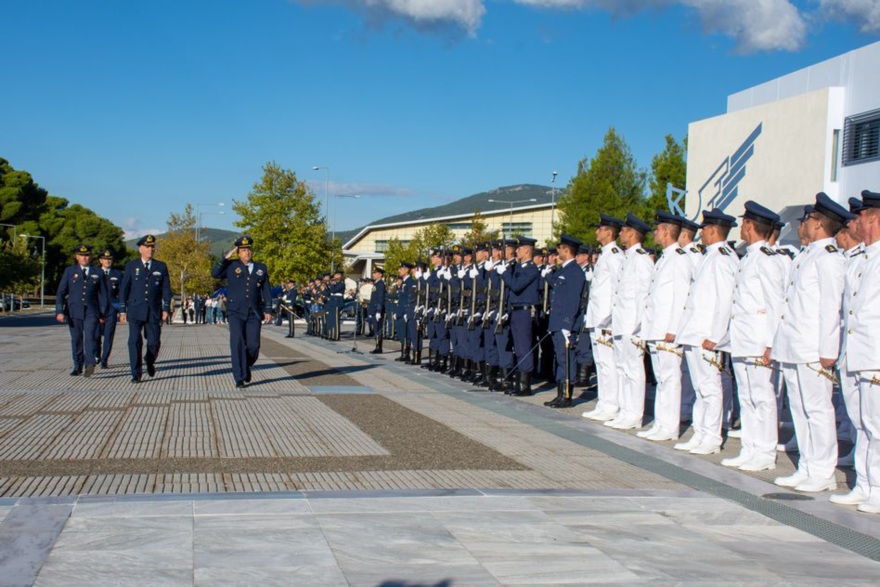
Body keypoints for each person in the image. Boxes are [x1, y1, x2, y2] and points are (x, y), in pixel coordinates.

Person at [771, 193, 850, 493]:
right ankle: (807, 465)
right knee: (801, 409)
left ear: (817, 224)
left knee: (818, 411)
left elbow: (831, 307)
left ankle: (823, 470)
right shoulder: (806, 255)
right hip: (794, 345)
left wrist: (828, 351)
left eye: (806, 220)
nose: (802, 225)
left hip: (812, 348)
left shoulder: (830, 257)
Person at [719, 201, 786, 472]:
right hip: (743, 339)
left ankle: (765, 451)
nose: (743, 228)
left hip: (758, 341)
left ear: (749, 226)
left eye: (744, 224)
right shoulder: (749, 258)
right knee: (746, 396)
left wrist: (771, 343)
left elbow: (775, 304)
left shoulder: (767, 259)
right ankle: (750, 448)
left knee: (762, 396)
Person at [674, 209, 738, 455]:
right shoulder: (709, 256)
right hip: (695, 332)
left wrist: (717, 336)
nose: (701, 233)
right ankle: (701, 432)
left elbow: (725, 300)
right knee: (701, 387)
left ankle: (711, 436)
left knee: (710, 388)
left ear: (712, 230)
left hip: (706, 335)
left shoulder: (722, 258)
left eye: (704, 229)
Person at [837, 189, 880, 513]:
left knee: (877, 424)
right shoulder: (863, 257)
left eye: (861, 216)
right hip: (859, 353)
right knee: (863, 422)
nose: (855, 222)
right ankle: (865, 484)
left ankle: (877, 487)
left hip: (875, 354)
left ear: (874, 218)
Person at [638, 211, 692, 441]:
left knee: (670, 378)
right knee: (662, 378)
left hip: (667, 330)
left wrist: (673, 328)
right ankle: (661, 423)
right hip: (656, 327)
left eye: (658, 229)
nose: (655, 233)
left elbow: (681, 296)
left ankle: (669, 427)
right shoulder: (665, 258)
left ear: (668, 231)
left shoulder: (679, 258)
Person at [605, 213, 654, 430]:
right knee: (623, 368)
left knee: (633, 370)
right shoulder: (628, 257)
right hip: (621, 322)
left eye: (624, 230)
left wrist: (637, 327)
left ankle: (635, 414)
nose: (621, 233)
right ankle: (625, 410)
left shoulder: (641, 259)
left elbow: (644, 295)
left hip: (632, 326)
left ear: (633, 233)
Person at [211, 235, 273, 388]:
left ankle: (245, 366)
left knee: (253, 346)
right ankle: (239, 377)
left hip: (254, 312)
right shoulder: (231, 266)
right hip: (235, 311)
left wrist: (268, 309)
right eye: (243, 250)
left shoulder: (260, 268)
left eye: (249, 249)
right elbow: (215, 273)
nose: (247, 252)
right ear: (238, 252)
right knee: (237, 342)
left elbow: (266, 290)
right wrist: (225, 258)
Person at [582, 214, 626, 421]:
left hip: (605, 319)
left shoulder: (615, 255)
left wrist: (610, 320)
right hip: (597, 317)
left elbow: (619, 289)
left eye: (600, 229)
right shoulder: (606, 255)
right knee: (601, 363)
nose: (596, 232)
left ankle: (612, 405)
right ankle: (604, 402)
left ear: (609, 232)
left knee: (609, 364)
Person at [119, 234, 172, 383]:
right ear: (140, 249)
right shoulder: (131, 266)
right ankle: (136, 373)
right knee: (134, 341)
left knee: (154, 342)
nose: (150, 249)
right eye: (147, 247)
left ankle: (149, 360)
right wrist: (122, 310)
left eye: (152, 247)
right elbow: (124, 288)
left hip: (153, 310)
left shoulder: (160, 266)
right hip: (135, 309)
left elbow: (166, 289)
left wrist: (166, 308)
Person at [545, 234, 587, 408]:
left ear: (566, 250)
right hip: (558, 321)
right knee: (561, 359)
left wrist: (568, 324)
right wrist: (548, 273)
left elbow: (573, 300)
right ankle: (560, 393)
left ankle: (567, 395)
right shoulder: (564, 270)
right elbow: (556, 287)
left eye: (559, 249)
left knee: (566, 359)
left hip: (565, 323)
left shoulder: (575, 271)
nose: (557, 252)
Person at [55, 244, 109, 377]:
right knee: (77, 339)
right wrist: (59, 311)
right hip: (74, 310)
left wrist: (103, 312)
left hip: (92, 310)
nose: (84, 258)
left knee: (91, 336)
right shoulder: (69, 271)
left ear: (90, 256)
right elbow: (61, 292)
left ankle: (90, 363)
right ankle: (78, 365)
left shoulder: (98, 272)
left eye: (87, 255)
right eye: (81, 255)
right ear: (77, 256)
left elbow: (103, 294)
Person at [497, 236, 541, 396]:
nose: (517, 251)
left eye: (520, 248)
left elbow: (516, 286)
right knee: (517, 347)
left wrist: (505, 274)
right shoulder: (518, 267)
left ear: (528, 250)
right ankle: (518, 383)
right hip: (515, 310)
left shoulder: (531, 269)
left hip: (524, 311)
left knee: (523, 348)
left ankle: (524, 385)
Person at [95, 249, 123, 369]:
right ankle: (97, 354)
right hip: (96, 309)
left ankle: (105, 359)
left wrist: (121, 309)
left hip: (111, 309)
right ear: (100, 260)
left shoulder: (118, 274)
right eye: (105, 259)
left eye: (110, 259)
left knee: (108, 336)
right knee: (95, 335)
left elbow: (121, 293)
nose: (108, 261)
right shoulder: (94, 273)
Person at [367, 267, 387, 353]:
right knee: (376, 329)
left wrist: (378, 311)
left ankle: (379, 347)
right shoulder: (376, 284)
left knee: (378, 329)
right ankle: (377, 346)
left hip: (377, 311)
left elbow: (380, 298)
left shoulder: (380, 284)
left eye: (375, 273)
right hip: (374, 310)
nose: (373, 275)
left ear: (380, 275)